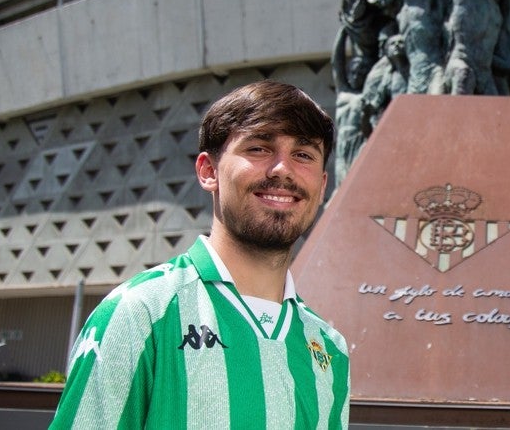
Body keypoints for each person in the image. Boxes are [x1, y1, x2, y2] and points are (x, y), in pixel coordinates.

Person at [51, 80, 350, 429]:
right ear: (209, 171)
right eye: (258, 148)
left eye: (303, 155)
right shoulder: (141, 314)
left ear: (322, 183)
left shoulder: (329, 347)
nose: (282, 168)